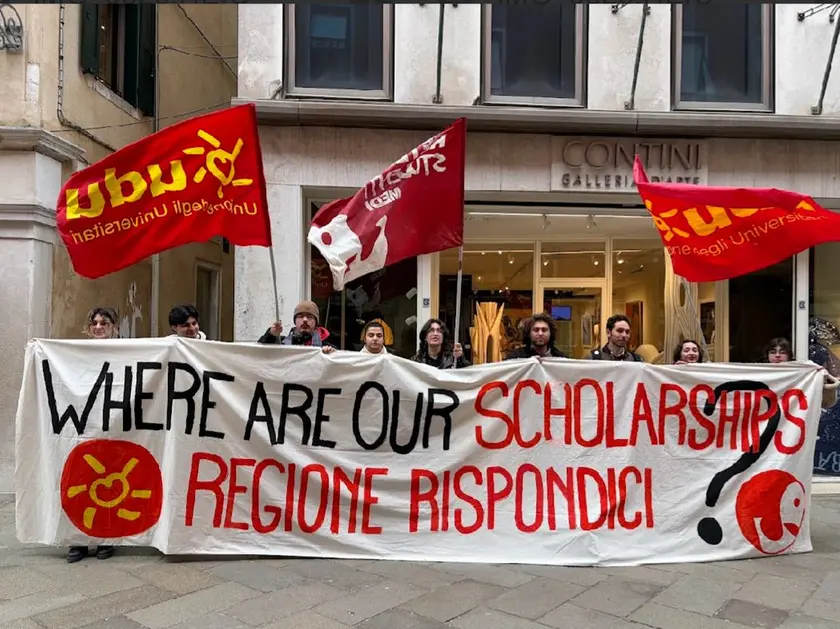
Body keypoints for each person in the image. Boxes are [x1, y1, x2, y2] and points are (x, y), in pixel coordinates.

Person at [68, 307, 119, 563]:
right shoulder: (75, 353)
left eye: (104, 322)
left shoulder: (127, 354)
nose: (99, 327)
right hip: (82, 427)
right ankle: (78, 539)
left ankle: (104, 538)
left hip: (112, 426)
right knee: (80, 482)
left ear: (114, 327)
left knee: (108, 483)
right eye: (95, 323)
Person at [764, 337, 837, 408]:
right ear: (767, 355)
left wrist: (825, 380)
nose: (777, 355)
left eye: (783, 352)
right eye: (773, 352)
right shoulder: (760, 376)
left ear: (789, 356)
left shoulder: (802, 375)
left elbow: (827, 403)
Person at [258, 301, 335, 353]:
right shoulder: (282, 343)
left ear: (316, 322)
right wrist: (271, 334)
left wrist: (330, 355)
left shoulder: (326, 346)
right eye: (300, 316)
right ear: (295, 321)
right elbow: (259, 352)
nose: (305, 320)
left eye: (310, 316)